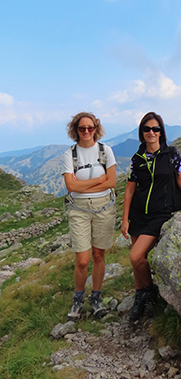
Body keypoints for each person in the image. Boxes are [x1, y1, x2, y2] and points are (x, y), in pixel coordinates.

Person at [121, 112, 181, 322]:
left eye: (155, 129)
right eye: (147, 129)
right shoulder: (137, 159)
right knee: (137, 262)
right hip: (138, 214)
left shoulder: (171, 154)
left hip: (160, 214)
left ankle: (149, 292)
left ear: (161, 132)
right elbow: (130, 190)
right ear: (142, 133)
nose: (151, 132)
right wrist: (125, 219)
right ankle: (140, 296)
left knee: (135, 256)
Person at [63, 112, 117, 322]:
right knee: (83, 260)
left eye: (90, 128)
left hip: (104, 207)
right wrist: (99, 179)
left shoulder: (106, 151)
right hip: (79, 210)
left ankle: (95, 298)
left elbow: (111, 182)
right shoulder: (70, 154)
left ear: (96, 128)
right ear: (75, 130)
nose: (86, 131)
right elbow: (70, 186)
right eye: (82, 128)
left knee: (98, 255)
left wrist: (81, 185)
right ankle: (78, 299)